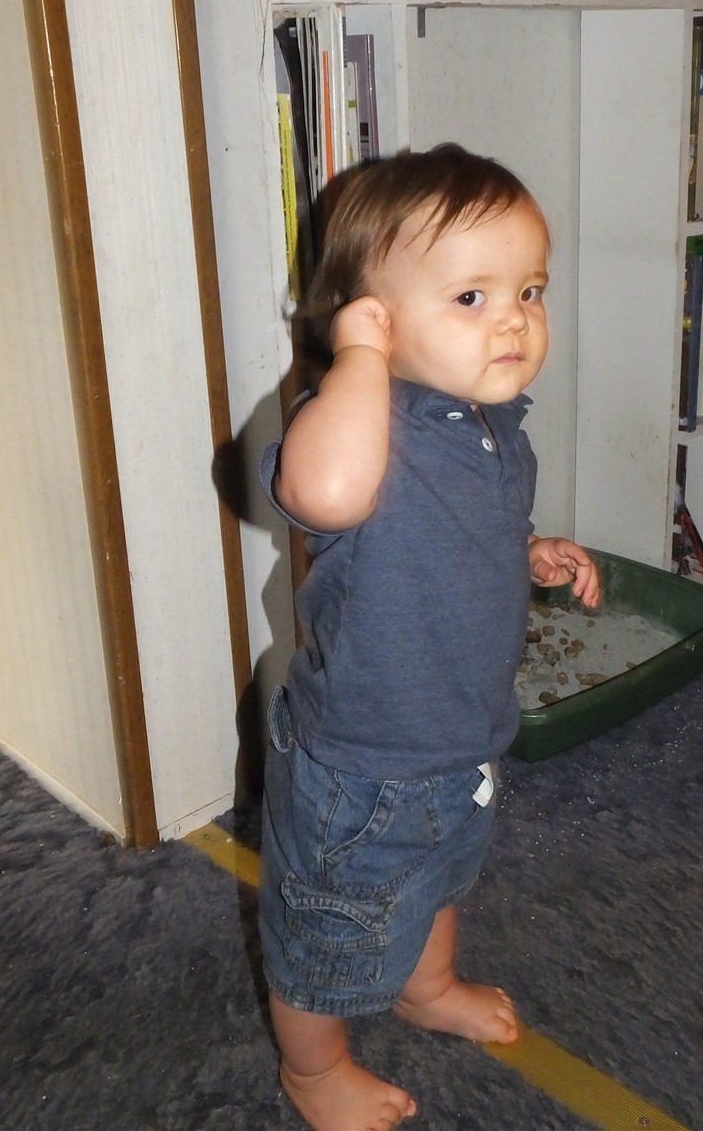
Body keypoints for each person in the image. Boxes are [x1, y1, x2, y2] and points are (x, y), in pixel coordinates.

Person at [258, 143, 600, 1131]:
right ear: (373, 316)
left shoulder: (493, 430)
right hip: (362, 763)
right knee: (327, 928)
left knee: (441, 872)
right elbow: (324, 493)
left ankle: (427, 984)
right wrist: (357, 361)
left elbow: (454, 536)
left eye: (530, 290)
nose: (515, 318)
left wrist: (528, 550)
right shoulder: (362, 426)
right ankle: (313, 1068)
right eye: (471, 297)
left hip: (459, 740)